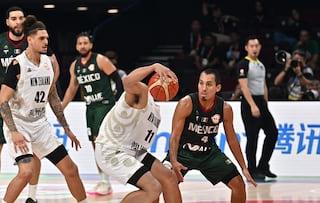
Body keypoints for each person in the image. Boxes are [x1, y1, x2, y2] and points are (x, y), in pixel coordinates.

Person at [0, 15, 87, 203]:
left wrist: (67, 129)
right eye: (41, 38)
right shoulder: (17, 65)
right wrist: (14, 132)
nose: (46, 42)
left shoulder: (48, 63)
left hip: (40, 125)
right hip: (19, 124)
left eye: (47, 38)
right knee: (26, 172)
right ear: (30, 40)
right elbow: (2, 102)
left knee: (71, 169)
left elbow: (53, 97)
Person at [0, 6, 60, 203]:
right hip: (4, 103)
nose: (17, 21)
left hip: (29, 107)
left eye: (21, 18)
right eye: (13, 18)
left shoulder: (36, 40)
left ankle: (32, 197)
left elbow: (54, 68)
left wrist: (44, 91)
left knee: (35, 151)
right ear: (7, 22)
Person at [163, 68, 257, 203]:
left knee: (239, 184)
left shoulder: (225, 109)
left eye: (209, 84)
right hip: (183, 152)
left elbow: (232, 140)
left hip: (209, 153)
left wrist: (243, 167)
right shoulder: (186, 103)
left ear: (218, 87)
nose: (204, 88)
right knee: (159, 184)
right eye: (201, 83)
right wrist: (173, 161)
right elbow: (175, 137)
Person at [94, 63, 182, 203]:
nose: (166, 82)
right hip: (111, 150)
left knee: (168, 177)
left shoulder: (156, 110)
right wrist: (154, 67)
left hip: (134, 150)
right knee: (153, 188)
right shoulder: (141, 91)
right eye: (163, 78)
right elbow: (128, 81)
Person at [62, 32, 124, 195]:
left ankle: (107, 180)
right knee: (94, 144)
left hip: (104, 105)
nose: (82, 46)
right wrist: (61, 107)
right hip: (90, 107)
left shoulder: (100, 60)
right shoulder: (74, 66)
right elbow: (71, 89)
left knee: (99, 141)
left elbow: (118, 79)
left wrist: (119, 101)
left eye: (85, 43)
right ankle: (104, 180)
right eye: (79, 43)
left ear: (91, 45)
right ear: (76, 46)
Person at [236, 35, 279, 180]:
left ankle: (263, 165)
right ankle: (252, 169)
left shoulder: (261, 64)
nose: (254, 48)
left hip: (261, 101)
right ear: (246, 48)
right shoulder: (243, 64)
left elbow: (263, 84)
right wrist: (253, 105)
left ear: (260, 48)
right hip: (249, 103)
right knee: (252, 137)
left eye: (256, 46)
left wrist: (265, 103)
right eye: (251, 46)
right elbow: (243, 86)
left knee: (273, 133)